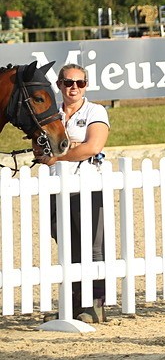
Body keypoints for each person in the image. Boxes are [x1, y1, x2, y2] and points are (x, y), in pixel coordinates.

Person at [49, 64, 111, 322]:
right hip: (56, 186)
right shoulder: (51, 113)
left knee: (93, 247)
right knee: (67, 246)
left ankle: (95, 304)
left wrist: (57, 154)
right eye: (68, 82)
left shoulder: (95, 111)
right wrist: (71, 146)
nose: (73, 87)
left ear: (86, 85)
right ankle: (73, 303)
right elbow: (40, 144)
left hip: (87, 185)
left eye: (79, 82)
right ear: (59, 85)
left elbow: (93, 146)